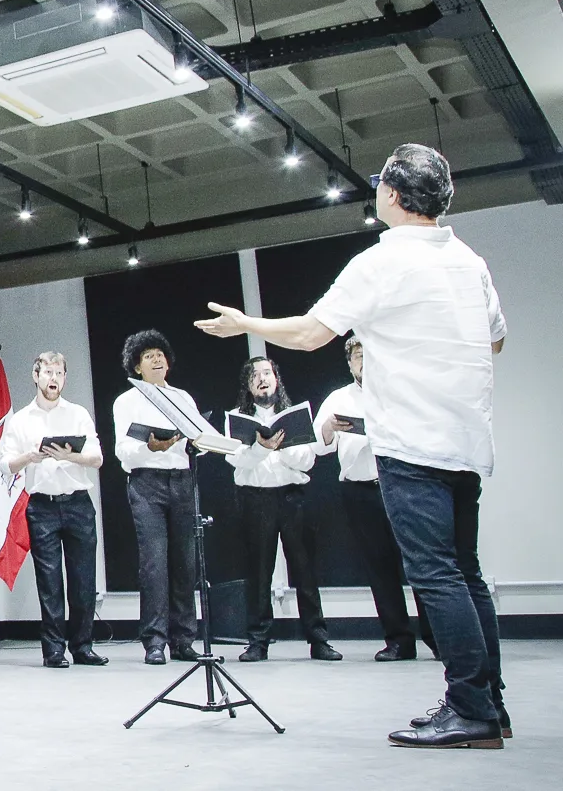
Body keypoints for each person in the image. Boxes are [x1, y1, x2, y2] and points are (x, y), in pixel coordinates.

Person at [197, 143, 508, 750]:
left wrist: (247, 325)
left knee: (437, 575)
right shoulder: (470, 261)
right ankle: (488, 702)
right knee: (464, 572)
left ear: (392, 194)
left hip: (413, 444)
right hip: (465, 441)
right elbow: (494, 342)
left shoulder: (383, 261)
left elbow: (313, 333)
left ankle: (471, 709)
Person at [315, 337, 425, 662]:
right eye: (357, 356)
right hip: (359, 490)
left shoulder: (397, 393)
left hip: (400, 485)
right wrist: (329, 428)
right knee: (379, 568)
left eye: (367, 354)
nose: (362, 361)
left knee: (420, 564)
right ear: (349, 364)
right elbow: (318, 444)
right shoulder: (339, 398)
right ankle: (399, 641)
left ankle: (438, 637)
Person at [226, 357, 338, 663]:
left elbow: (307, 460)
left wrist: (279, 447)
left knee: (304, 569)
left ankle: (319, 640)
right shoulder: (237, 417)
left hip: (292, 496)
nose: (262, 380)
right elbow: (237, 460)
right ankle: (258, 642)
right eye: (255, 376)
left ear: (277, 379)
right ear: (248, 386)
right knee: (258, 571)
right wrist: (262, 447)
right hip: (255, 498)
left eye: (267, 374)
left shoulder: (295, 415)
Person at [0, 351, 105, 669]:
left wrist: (68, 456)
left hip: (77, 503)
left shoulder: (77, 414)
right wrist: (30, 456)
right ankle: (54, 650)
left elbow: (97, 457)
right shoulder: (20, 420)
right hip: (41, 506)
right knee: (49, 580)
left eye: (59, 372)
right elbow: (5, 464)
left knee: (83, 579)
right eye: (47, 372)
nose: (53, 378)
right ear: (35, 376)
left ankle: (83, 646)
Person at [111, 330, 201, 666]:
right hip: (146, 482)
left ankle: (184, 638)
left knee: (185, 562)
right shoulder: (127, 401)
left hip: (182, 480)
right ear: (136, 366)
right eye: (148, 356)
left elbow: (198, 435)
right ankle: (155, 641)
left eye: (160, 354)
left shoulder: (182, 397)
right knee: (154, 564)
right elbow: (123, 450)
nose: (157, 359)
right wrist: (149, 446)